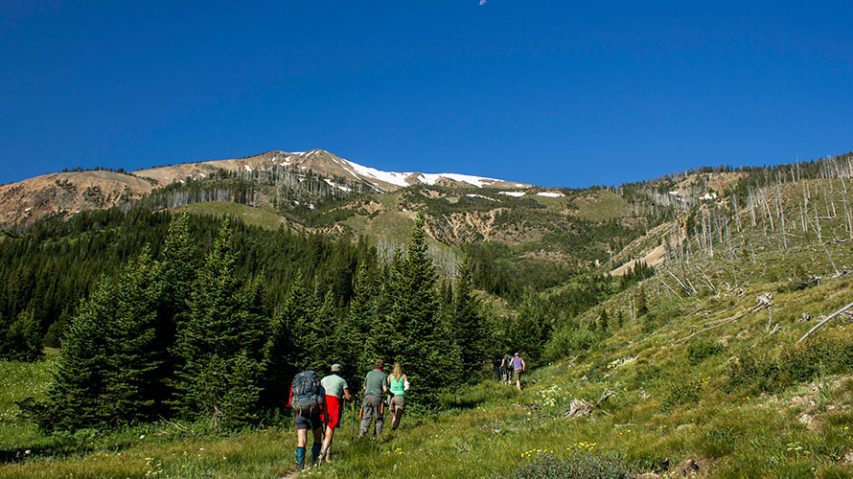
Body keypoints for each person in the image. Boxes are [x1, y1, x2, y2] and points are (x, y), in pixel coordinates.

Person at [287, 370, 326, 472]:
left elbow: (291, 401)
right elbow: (322, 402)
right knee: (317, 439)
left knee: (301, 441)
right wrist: (325, 416)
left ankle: (299, 466)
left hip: (300, 414)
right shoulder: (319, 388)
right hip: (314, 415)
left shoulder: (298, 387)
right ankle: (313, 463)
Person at [320, 364, 352, 464]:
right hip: (334, 403)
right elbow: (347, 397)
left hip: (323, 402)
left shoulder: (324, 379)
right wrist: (352, 397)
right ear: (340, 371)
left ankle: (324, 453)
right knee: (330, 430)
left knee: (323, 429)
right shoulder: (342, 381)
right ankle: (325, 454)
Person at [358, 359, 388, 438]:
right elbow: (385, 389)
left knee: (366, 416)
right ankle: (377, 436)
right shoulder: (383, 375)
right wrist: (390, 393)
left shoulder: (369, 373)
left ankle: (362, 434)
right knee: (379, 417)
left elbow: (364, 387)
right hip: (377, 397)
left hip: (367, 397)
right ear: (382, 367)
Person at [386, 362, 409, 431]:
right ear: (401, 368)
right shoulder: (404, 376)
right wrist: (405, 392)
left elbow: (386, 386)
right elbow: (407, 387)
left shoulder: (390, 376)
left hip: (391, 396)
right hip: (400, 396)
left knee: (393, 414)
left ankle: (392, 428)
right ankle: (394, 429)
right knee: (398, 415)